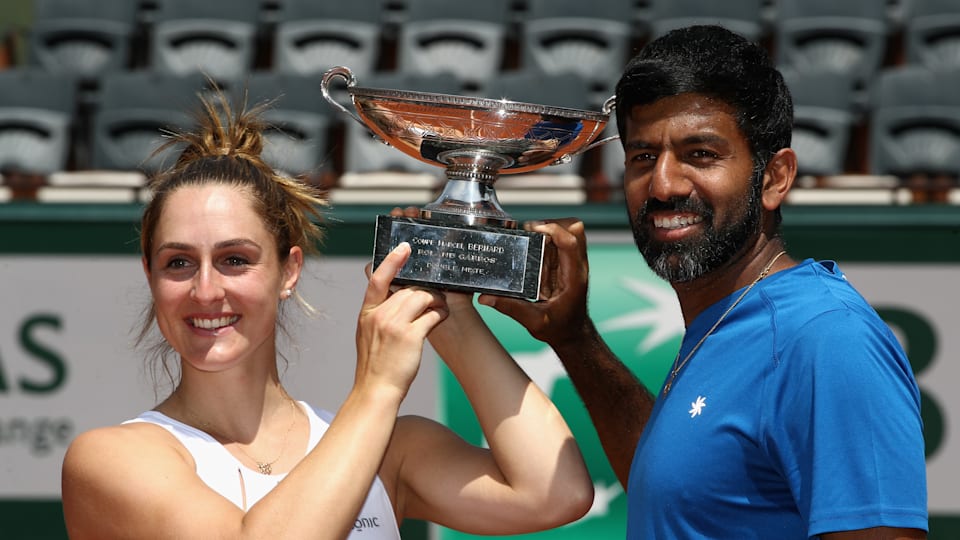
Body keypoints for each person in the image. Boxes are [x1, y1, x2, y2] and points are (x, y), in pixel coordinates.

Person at [60, 89, 593, 539]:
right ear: (150, 276)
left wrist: (448, 312)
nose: (205, 290)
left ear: (289, 271)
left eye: (234, 260)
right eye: (178, 262)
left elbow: (555, 494)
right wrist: (376, 389)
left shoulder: (389, 448)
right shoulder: (112, 460)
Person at [480, 25, 928, 539]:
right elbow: (687, 496)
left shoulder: (826, 338)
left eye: (701, 154)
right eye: (643, 157)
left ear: (774, 177)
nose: (665, 184)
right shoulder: (732, 318)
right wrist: (574, 338)